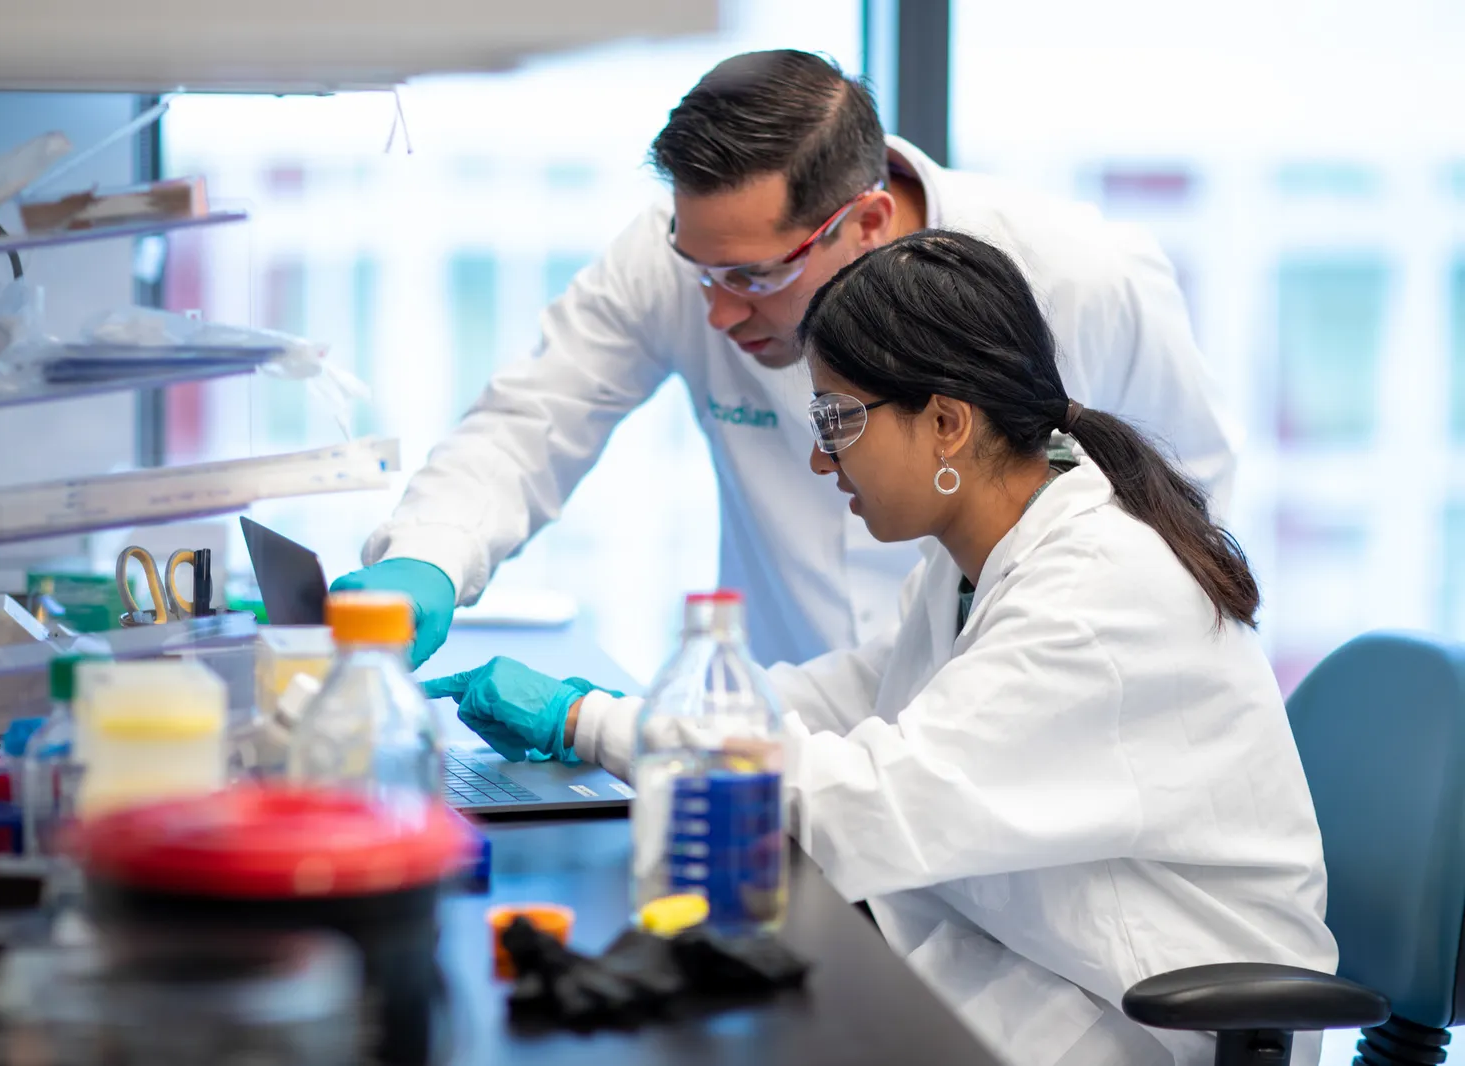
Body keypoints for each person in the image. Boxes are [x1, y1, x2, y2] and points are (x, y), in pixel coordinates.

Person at [423, 231, 1335, 1066]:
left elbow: (861, 808)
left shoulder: (1094, 593)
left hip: (1139, 1005)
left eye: (838, 422)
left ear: (946, 423)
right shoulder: (993, 549)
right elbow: (849, 697)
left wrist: (590, 723)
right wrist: (635, 716)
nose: (822, 461)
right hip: (1027, 946)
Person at [334, 49, 1241, 669]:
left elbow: (1184, 513)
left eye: (754, 277)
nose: (719, 310)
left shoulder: (1079, 277)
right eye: (700, 272)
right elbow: (529, 424)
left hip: (1015, 738)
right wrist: (426, 559)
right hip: (790, 732)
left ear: (868, 220)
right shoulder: (690, 256)